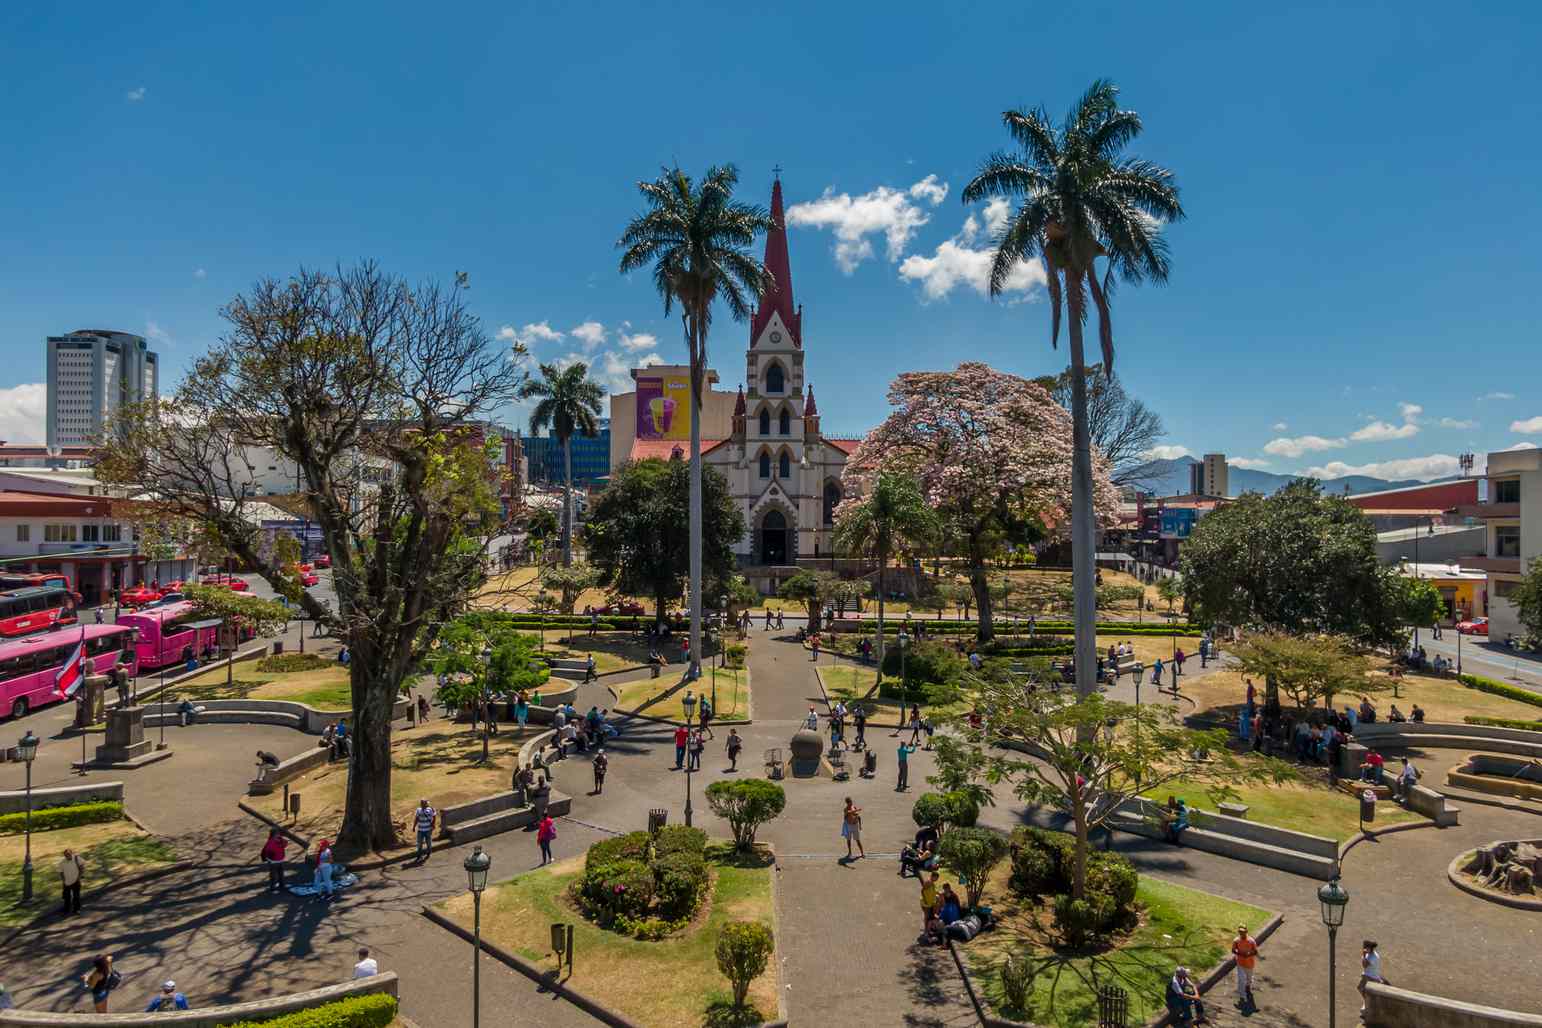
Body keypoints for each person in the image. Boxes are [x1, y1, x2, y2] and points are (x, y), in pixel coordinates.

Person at [1231, 925, 1259, 1010]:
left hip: (1249, 963)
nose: (1241, 933)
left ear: (1246, 932)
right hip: (1240, 963)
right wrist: (1239, 954)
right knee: (1241, 979)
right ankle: (1242, 994)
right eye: (1240, 932)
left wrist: (1248, 955)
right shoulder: (1236, 941)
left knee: (1249, 978)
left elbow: (1255, 951)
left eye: (1243, 932)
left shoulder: (1251, 941)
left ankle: (1248, 986)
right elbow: (1233, 950)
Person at [1358, 940, 1386, 1015]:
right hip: (1367, 975)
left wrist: (1363, 955)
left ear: (1370, 948)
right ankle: (1367, 1002)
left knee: (1364, 990)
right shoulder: (1368, 954)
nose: (1365, 949)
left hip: (1372, 977)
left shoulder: (1374, 957)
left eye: (1366, 948)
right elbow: (1363, 965)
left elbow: (1365, 965)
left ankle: (1368, 1005)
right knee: (1360, 988)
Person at [260, 829, 288, 893]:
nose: (278, 835)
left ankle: (277, 886)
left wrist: (281, 839)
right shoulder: (275, 841)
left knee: (277, 874)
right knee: (277, 874)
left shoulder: (276, 841)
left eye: (279, 834)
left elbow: (286, 844)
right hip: (277, 861)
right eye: (277, 834)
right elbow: (285, 844)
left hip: (277, 861)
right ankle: (277, 887)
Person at [58, 847, 85, 915]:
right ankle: (66, 910)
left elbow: (82, 867)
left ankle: (76, 910)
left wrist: (79, 877)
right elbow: (61, 872)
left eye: (69, 854)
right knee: (67, 897)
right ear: (64, 855)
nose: (67, 856)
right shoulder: (62, 862)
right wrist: (64, 881)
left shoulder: (77, 858)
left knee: (76, 896)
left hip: (76, 881)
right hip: (67, 882)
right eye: (66, 855)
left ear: (71, 853)